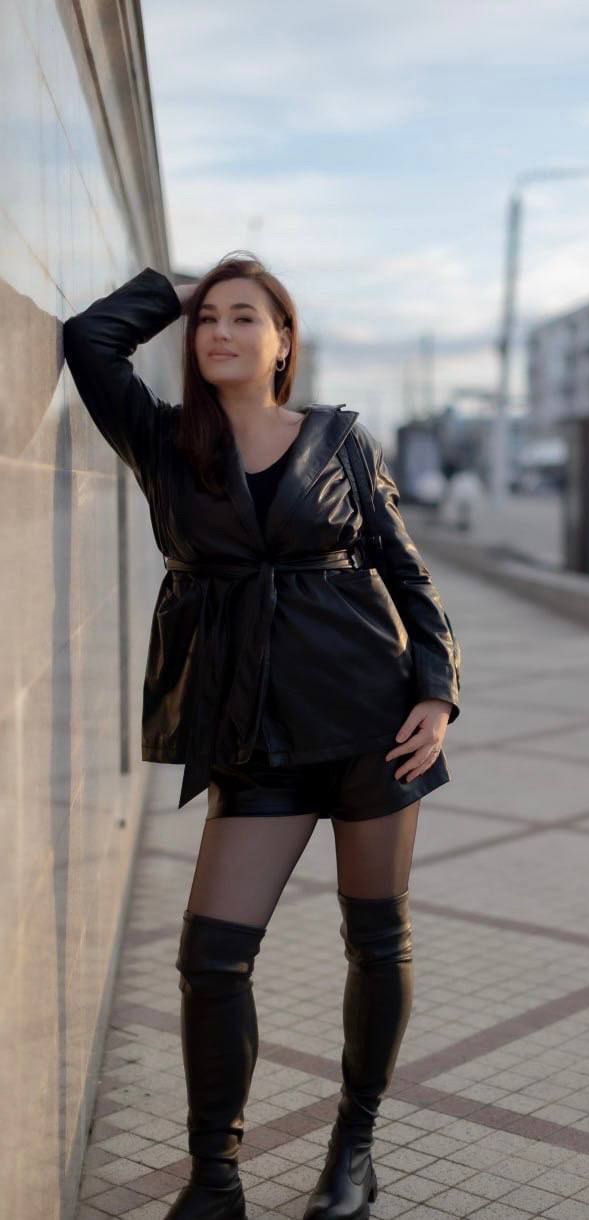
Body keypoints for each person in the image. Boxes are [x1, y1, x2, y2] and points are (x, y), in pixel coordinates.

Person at [62, 251, 462, 1220]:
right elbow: (89, 339)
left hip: (371, 720)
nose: (221, 333)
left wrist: (438, 691)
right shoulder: (164, 441)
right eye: (209, 320)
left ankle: (353, 1149)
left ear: (284, 343)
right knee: (212, 957)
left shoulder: (339, 440)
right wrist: (182, 285)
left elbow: (406, 569)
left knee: (376, 938)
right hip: (253, 735)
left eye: (246, 317)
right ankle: (216, 1178)